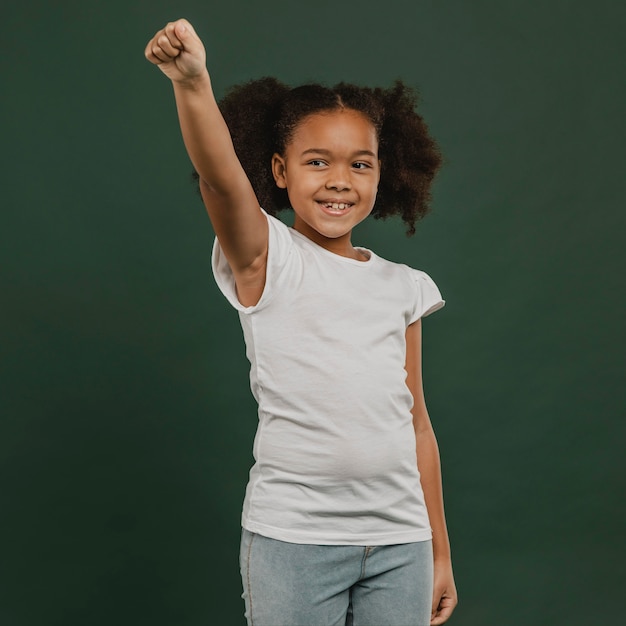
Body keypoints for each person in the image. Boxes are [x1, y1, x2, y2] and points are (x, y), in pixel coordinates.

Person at [145, 18, 458, 626]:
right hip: (293, 542)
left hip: (401, 546)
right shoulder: (268, 258)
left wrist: (439, 550)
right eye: (317, 162)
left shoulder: (403, 286)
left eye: (360, 165)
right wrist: (191, 82)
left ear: (382, 174)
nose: (340, 181)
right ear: (281, 171)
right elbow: (219, 178)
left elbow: (417, 424)